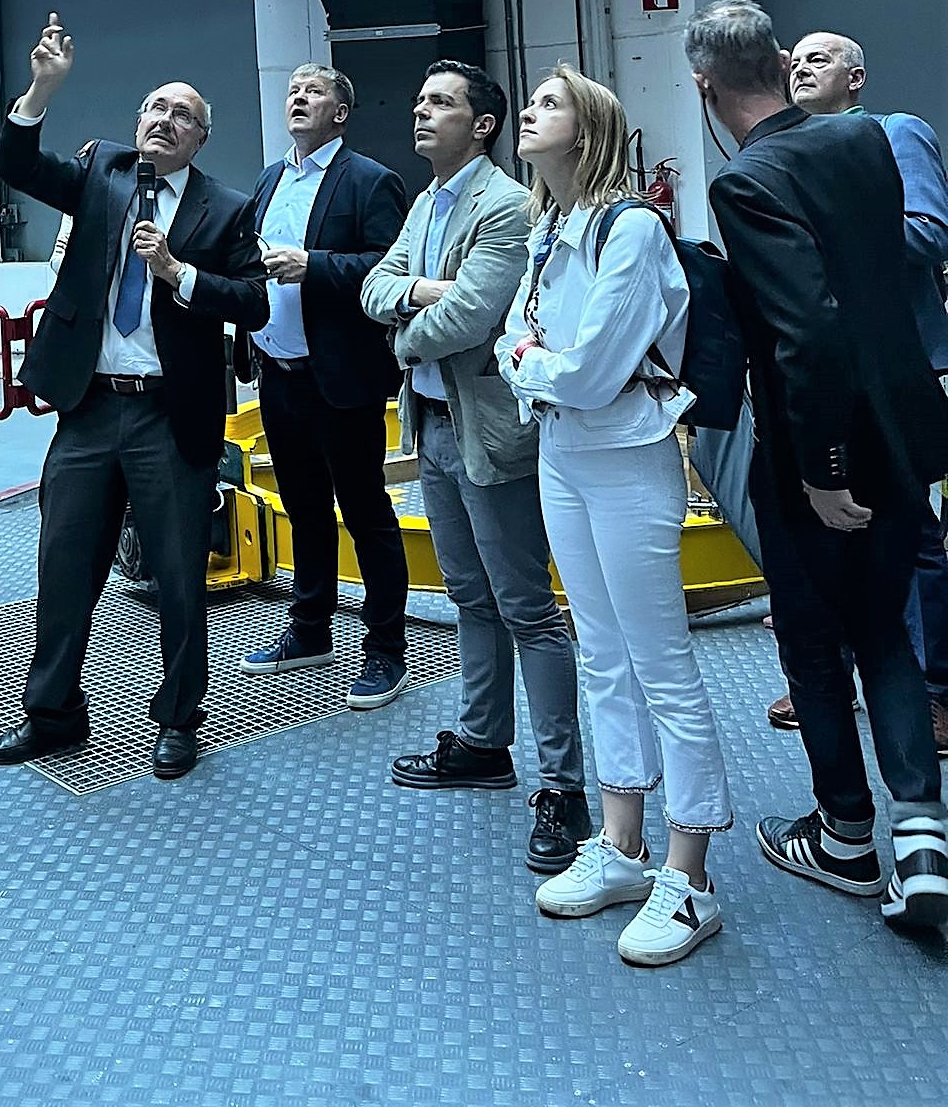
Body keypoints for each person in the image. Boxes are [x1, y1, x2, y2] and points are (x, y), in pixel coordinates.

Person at [686, 0, 948, 929]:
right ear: (779, 61)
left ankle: (843, 837)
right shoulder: (862, 139)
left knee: (809, 641)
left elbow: (806, 330)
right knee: (884, 632)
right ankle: (922, 841)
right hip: (904, 429)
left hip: (817, 447)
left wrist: (823, 471)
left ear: (705, 86)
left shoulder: (746, 180)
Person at [0, 12, 268, 781]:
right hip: (88, 408)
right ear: (137, 122)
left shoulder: (225, 207)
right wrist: (42, 89)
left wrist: (178, 273)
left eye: (184, 115)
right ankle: (52, 714)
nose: (166, 120)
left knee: (178, 577)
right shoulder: (101, 172)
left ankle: (179, 718)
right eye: (156, 108)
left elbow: (253, 302)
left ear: (200, 140)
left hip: (169, 415)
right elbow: (16, 162)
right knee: (63, 566)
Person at [498, 65, 732, 967]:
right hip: (564, 455)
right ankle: (624, 845)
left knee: (660, 662)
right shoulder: (546, 228)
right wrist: (536, 362)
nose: (529, 112)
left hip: (629, 458)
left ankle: (689, 876)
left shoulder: (631, 227)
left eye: (548, 104)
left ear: (590, 129)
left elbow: (592, 371)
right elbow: (514, 339)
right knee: (600, 653)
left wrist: (533, 364)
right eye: (531, 102)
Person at [363, 61, 591, 876]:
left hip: (489, 437)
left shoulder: (504, 204)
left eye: (440, 103)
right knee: (470, 597)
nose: (420, 112)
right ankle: (484, 743)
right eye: (419, 100)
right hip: (434, 427)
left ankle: (564, 787)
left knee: (527, 609)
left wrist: (402, 328)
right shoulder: (426, 201)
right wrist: (416, 294)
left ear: (482, 124)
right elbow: (374, 284)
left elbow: (468, 318)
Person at [779, 29, 948, 753]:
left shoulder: (894, 132)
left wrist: (822, 237)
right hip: (825, 371)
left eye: (819, 59)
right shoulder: (782, 152)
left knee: (912, 534)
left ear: (856, 78)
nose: (801, 68)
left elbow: (928, 233)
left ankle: (935, 691)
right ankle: (842, 674)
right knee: (831, 526)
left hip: (897, 367)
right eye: (794, 61)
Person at [236, 64, 410, 708]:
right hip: (277, 373)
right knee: (304, 508)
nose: (298, 99)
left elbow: (390, 266)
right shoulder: (269, 179)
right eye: (293, 91)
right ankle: (310, 631)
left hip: (340, 377)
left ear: (341, 112)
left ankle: (385, 650)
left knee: (365, 512)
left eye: (313, 92)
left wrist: (314, 265)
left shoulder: (370, 180)